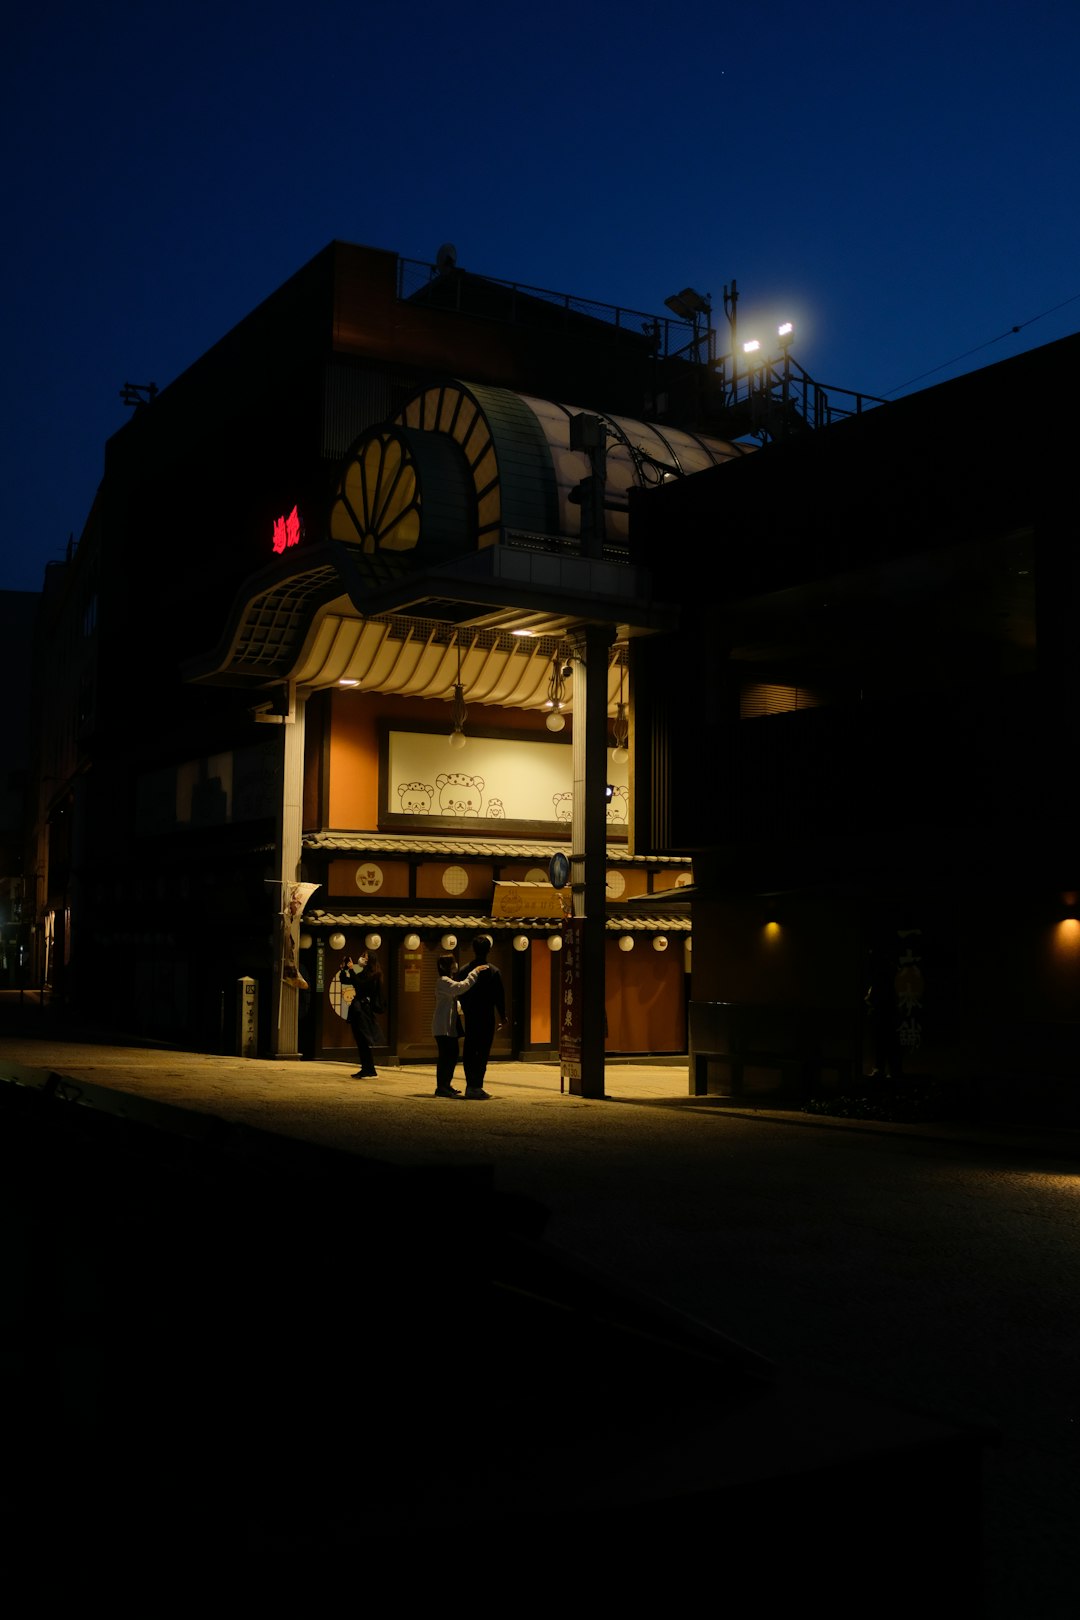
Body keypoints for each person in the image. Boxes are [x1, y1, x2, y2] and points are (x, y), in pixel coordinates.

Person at [432, 953, 490, 1098]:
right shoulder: (443, 981)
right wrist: (474, 972)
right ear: (446, 966)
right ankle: (441, 1087)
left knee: (451, 1055)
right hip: (443, 1027)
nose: (455, 965)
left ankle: (446, 1085)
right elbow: (461, 987)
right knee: (446, 1056)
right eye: (452, 963)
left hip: (447, 1027)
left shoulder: (447, 981)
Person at [455, 936, 505, 1099]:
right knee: (483, 1051)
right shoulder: (494, 971)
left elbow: (458, 992)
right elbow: (499, 997)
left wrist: (465, 1007)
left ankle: (471, 1085)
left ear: (473, 949)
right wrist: (503, 1016)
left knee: (470, 1049)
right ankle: (477, 1086)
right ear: (488, 950)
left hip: (471, 1015)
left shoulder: (463, 970)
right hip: (487, 1015)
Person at [340, 951, 384, 1077]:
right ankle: (367, 1068)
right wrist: (344, 970)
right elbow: (347, 981)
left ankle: (369, 1068)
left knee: (363, 1039)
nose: (361, 958)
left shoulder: (374, 975)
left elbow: (359, 985)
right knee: (360, 1039)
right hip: (358, 1009)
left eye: (364, 956)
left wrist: (351, 970)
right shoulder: (364, 973)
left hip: (363, 1011)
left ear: (370, 960)